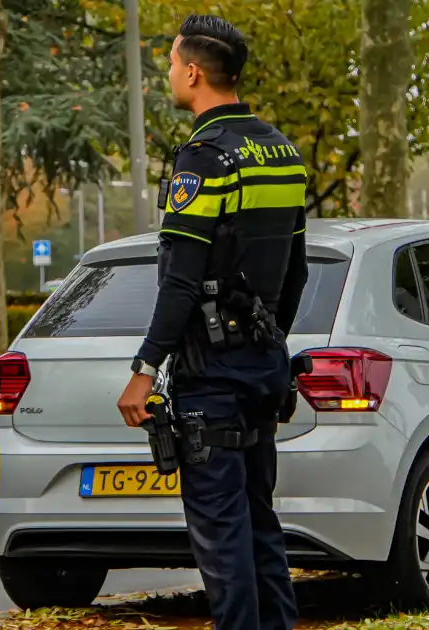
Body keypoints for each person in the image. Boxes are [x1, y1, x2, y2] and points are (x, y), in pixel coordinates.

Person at [116, 14, 309, 630]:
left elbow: (179, 281)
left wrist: (144, 371)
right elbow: (297, 272)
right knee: (260, 527)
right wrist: (268, 339)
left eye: (172, 63)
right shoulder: (281, 150)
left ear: (194, 72)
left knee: (223, 546)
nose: (169, 73)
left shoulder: (204, 158)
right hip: (263, 369)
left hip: (211, 376)